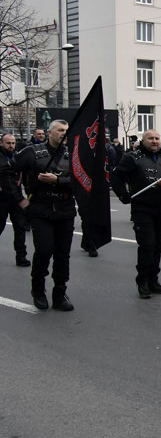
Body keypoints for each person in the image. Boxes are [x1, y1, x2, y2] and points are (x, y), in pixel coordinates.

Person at [15, 120, 76, 311]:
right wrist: (20, 200)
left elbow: (82, 181)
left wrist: (58, 180)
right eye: (60, 130)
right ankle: (38, 289)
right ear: (50, 132)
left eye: (66, 131)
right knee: (44, 250)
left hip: (65, 209)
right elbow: (10, 173)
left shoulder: (73, 154)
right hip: (41, 209)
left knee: (62, 254)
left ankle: (59, 293)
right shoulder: (32, 152)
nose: (63, 133)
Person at [111, 129, 161, 298]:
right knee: (147, 244)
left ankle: (153, 280)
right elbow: (116, 176)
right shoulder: (132, 157)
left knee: (158, 246)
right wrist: (123, 195)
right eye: (151, 138)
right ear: (143, 141)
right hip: (142, 208)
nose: (155, 141)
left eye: (157, 138)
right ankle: (142, 280)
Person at [0, 132, 31, 267]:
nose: (11, 145)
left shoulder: (18, 157)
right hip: (1, 199)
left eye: (13, 143)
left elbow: (24, 176)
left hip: (16, 198)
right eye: (8, 143)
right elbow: (6, 178)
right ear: (1, 143)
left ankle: (21, 256)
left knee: (20, 228)